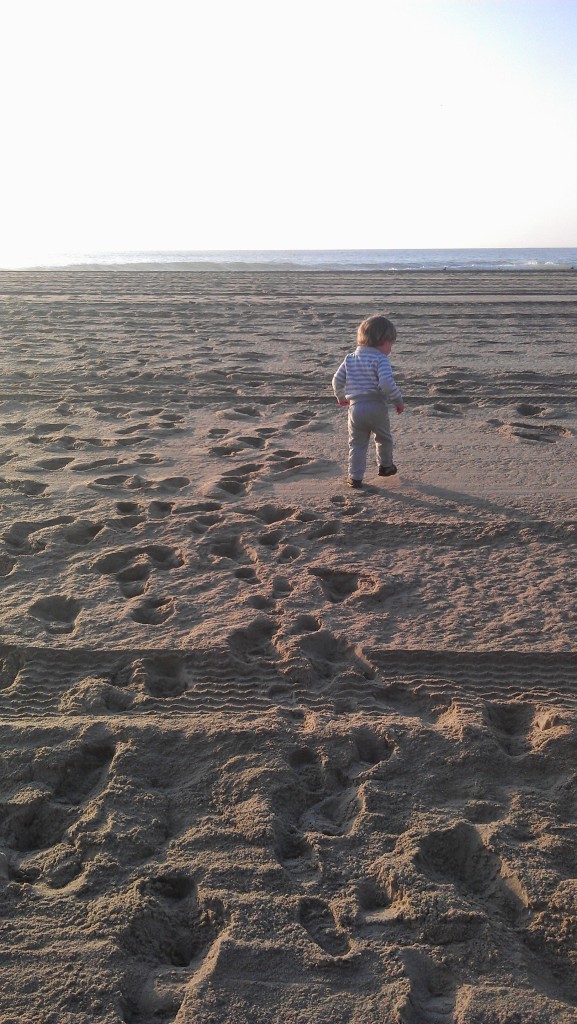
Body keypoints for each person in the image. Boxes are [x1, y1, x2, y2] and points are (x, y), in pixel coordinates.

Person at [332, 314, 404, 488]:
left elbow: (336, 381)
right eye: (391, 344)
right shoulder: (381, 359)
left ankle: (355, 477)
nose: (390, 348)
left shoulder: (349, 358)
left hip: (355, 408)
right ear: (383, 341)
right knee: (383, 438)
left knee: (357, 443)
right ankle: (386, 466)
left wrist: (341, 398)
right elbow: (386, 383)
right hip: (376, 406)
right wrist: (397, 400)